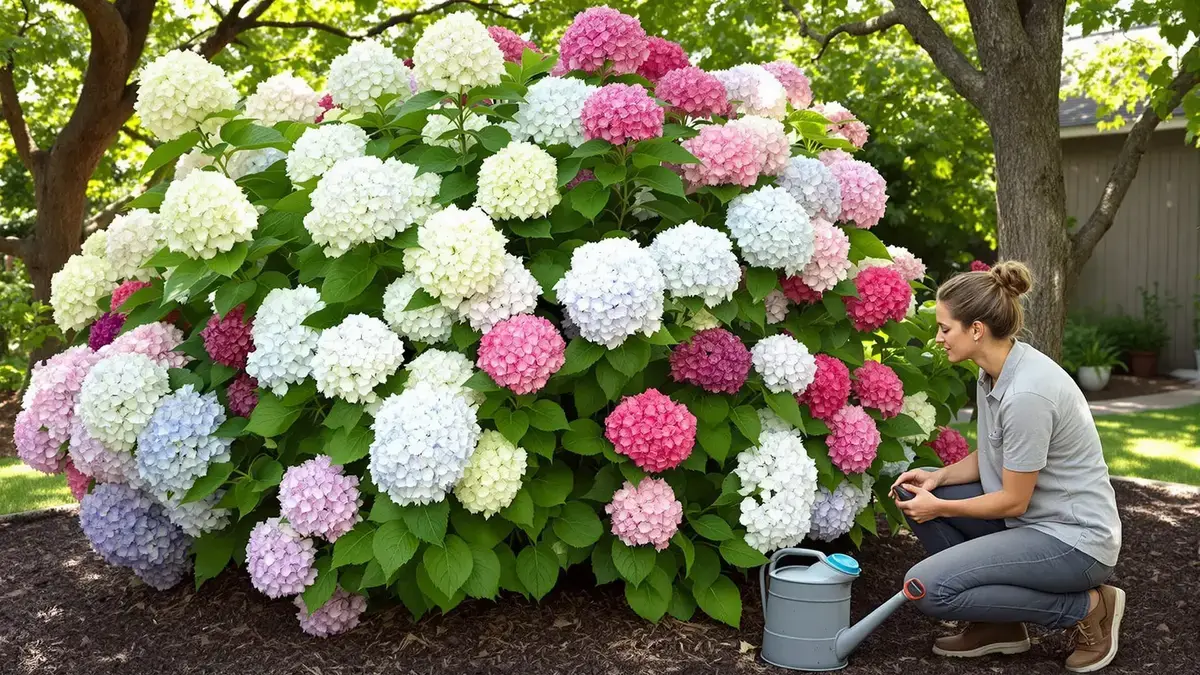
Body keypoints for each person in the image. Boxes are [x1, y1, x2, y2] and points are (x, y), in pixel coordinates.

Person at [890, 261, 1123, 673]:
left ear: (976, 329)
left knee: (928, 588)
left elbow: (1014, 500)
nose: (938, 337)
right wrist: (938, 478)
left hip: (1074, 541)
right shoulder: (994, 373)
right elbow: (996, 454)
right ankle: (998, 625)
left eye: (945, 328)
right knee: (916, 497)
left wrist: (940, 506)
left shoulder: (1026, 394)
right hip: (1032, 523)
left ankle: (1087, 608)